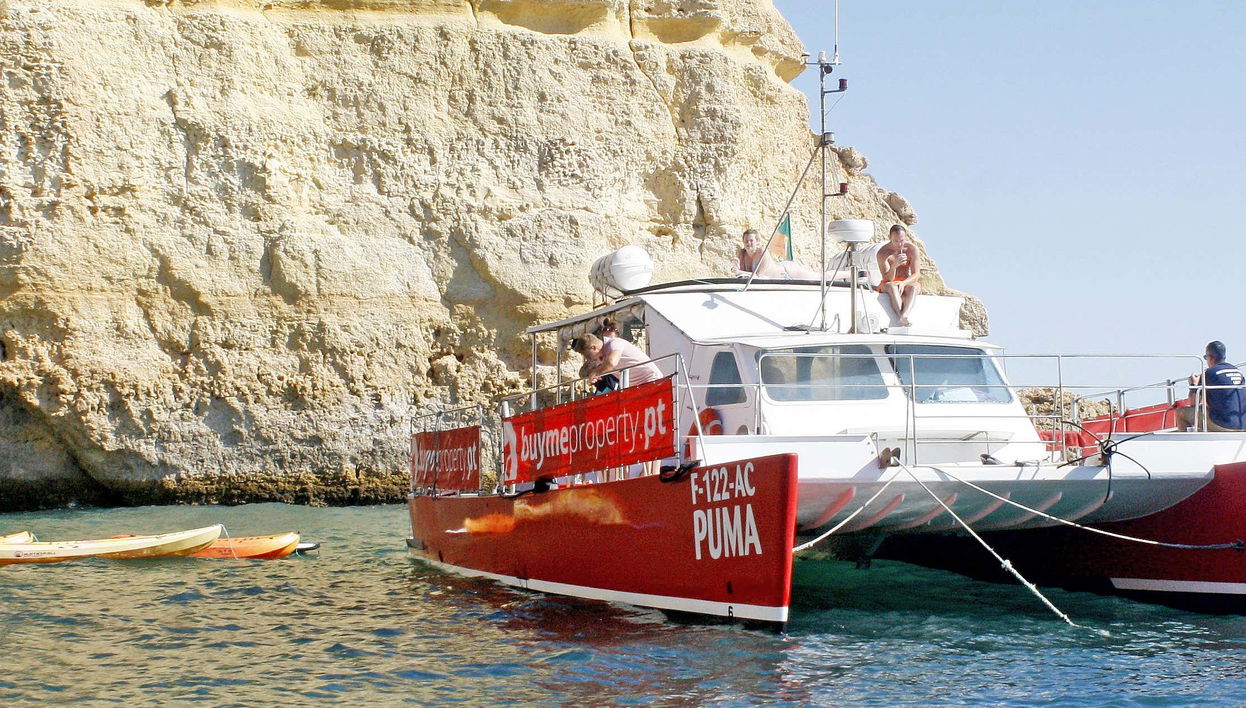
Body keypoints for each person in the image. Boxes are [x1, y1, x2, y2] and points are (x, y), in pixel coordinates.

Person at [1178, 341, 1246, 432]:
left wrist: (1193, 385)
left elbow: (1193, 403)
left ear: (1210, 357)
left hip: (1224, 425)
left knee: (1180, 413)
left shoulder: (1209, 373)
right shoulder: (1238, 372)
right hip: (1243, 424)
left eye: (1205, 357)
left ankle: (1188, 440)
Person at [735, 228, 835, 281]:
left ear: (757, 242)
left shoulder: (762, 252)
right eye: (746, 241)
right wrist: (736, 267)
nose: (748, 243)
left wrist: (738, 271)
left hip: (787, 273)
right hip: (776, 273)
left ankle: (843, 273)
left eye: (751, 240)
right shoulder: (742, 253)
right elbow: (742, 275)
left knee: (821, 277)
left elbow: (758, 275)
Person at [573, 332, 661, 389]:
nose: (588, 358)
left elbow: (611, 362)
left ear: (593, 347)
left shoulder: (614, 343)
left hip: (652, 380)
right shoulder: (599, 356)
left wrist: (596, 372)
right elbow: (584, 373)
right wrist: (591, 376)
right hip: (637, 386)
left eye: (588, 355)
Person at [875, 224, 922, 327]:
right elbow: (886, 278)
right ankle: (901, 317)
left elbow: (916, 274)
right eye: (895, 241)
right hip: (889, 282)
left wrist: (903, 283)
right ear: (890, 238)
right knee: (892, 286)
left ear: (906, 237)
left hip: (906, 281)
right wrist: (894, 266)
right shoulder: (883, 253)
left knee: (914, 287)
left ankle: (904, 315)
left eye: (902, 240)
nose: (899, 244)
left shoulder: (912, 249)